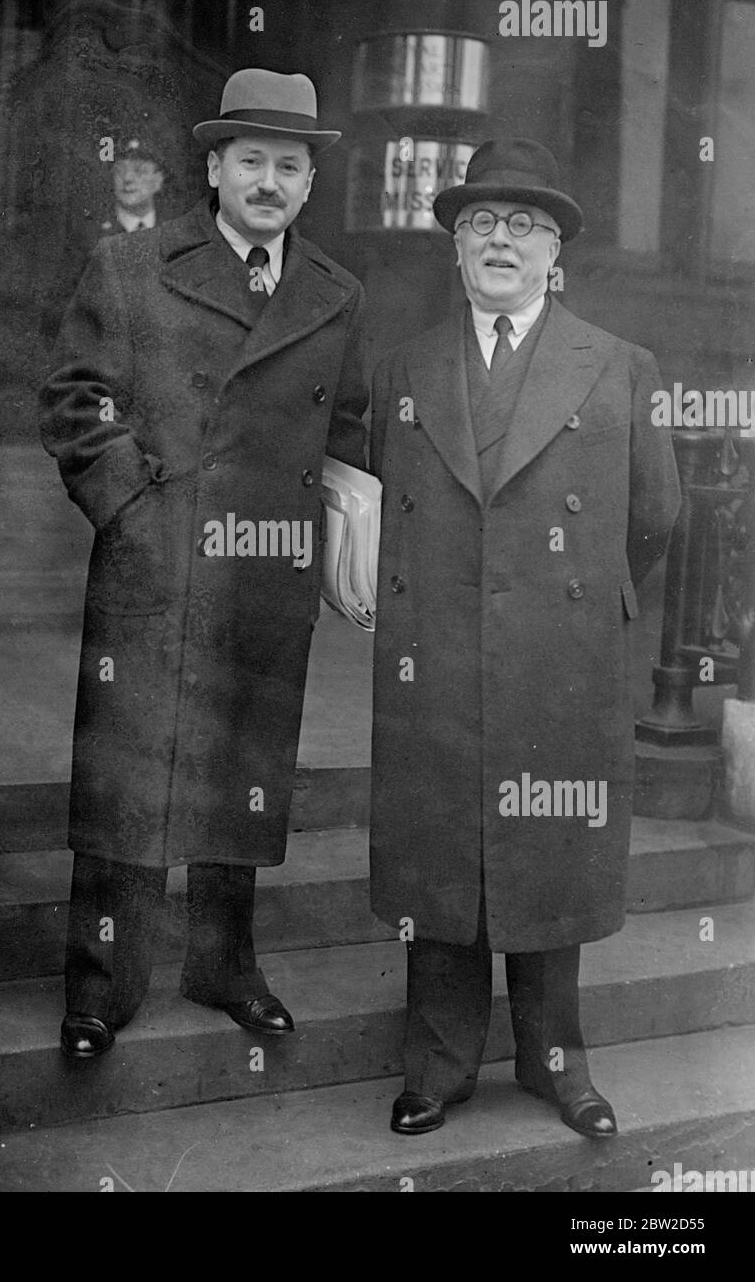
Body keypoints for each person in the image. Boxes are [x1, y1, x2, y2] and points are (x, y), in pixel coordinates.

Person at [40, 69, 367, 1059]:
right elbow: (75, 402)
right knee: (128, 775)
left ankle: (225, 963)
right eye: (253, 160)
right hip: (154, 565)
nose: (270, 180)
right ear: (216, 166)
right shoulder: (134, 266)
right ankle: (103, 984)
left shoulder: (336, 295)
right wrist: (134, 512)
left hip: (265, 571)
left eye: (290, 165)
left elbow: (344, 423)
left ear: (310, 183)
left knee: (246, 771)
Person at [368, 138, 681, 1138]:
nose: (500, 242)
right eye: (480, 225)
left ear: (557, 253)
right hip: (439, 653)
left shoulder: (619, 367)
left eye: (525, 225)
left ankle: (558, 1063)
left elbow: (658, 516)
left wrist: (574, 608)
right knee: (441, 857)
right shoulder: (407, 364)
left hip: (564, 654)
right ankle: (439, 1064)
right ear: (456, 249)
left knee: (554, 856)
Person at [98, 138, 166, 236]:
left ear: (158, 180)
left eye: (139, 170)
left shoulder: (175, 226)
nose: (127, 178)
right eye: (119, 170)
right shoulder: (91, 232)